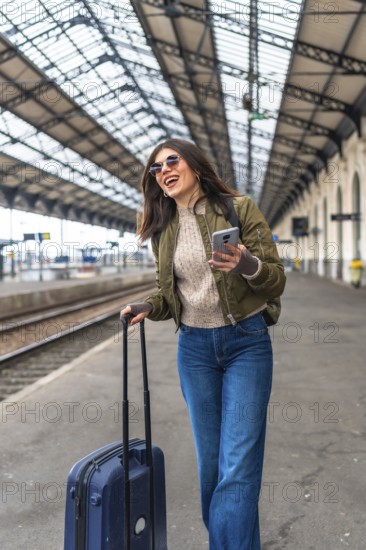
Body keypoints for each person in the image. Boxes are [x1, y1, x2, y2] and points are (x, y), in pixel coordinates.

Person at [120, 138, 286, 549]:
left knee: (239, 464)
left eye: (171, 161)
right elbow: (167, 294)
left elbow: (276, 278)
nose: (164, 171)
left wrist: (245, 263)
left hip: (246, 343)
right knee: (212, 468)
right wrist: (147, 305)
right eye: (156, 169)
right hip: (194, 350)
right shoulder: (164, 228)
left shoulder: (239, 208)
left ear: (194, 164)